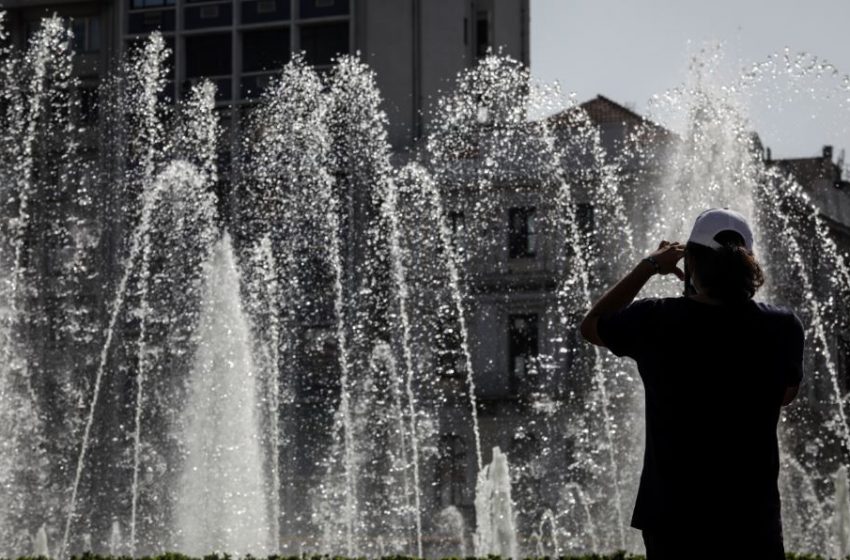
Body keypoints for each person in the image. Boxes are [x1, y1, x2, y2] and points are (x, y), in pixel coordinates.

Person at [579, 208, 805, 558]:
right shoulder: (782, 326)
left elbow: (593, 324)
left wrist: (650, 265)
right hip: (751, 516)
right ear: (749, 264)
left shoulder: (656, 319)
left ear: (692, 263)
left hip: (673, 517)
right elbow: (786, 396)